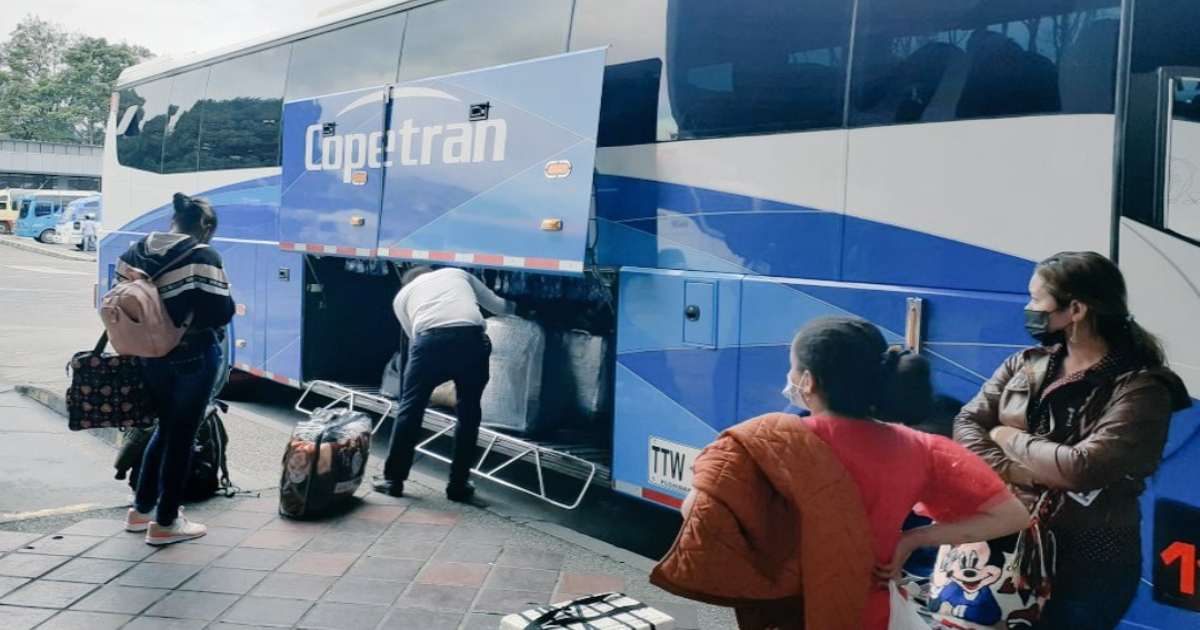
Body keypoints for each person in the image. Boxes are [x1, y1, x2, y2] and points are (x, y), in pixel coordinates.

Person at [653, 316, 1030, 630]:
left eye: (793, 366)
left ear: (809, 381)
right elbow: (1011, 515)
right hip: (870, 614)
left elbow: (695, 512)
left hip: (790, 612)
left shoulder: (768, 439)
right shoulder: (922, 448)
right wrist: (911, 540)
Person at [955, 251, 1191, 629]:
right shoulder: (1025, 364)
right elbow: (967, 424)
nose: (1029, 307)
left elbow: (1083, 468)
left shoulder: (1143, 387)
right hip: (1006, 539)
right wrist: (1028, 470)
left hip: (1090, 563)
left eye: (1037, 298)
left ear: (1076, 309)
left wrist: (1005, 435)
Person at [121, 192, 235, 545]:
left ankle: (141, 510)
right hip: (192, 354)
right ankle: (166, 522)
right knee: (181, 437)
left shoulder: (135, 250)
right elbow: (221, 312)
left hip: (148, 355)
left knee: (166, 429)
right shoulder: (203, 255)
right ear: (205, 225)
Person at [372, 265, 516, 502]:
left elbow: (414, 338)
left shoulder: (402, 297)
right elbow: (499, 307)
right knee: (468, 412)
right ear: (430, 272)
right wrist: (519, 308)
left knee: (410, 409)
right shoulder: (456, 273)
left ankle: (393, 480)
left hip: (429, 342)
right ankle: (458, 486)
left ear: (410, 282)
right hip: (471, 340)